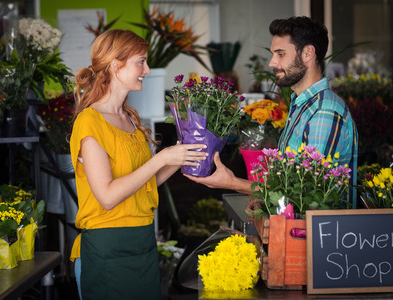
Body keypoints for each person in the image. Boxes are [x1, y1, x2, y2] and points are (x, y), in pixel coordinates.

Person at [69, 29, 207, 299]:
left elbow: (144, 184)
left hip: (142, 241)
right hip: (109, 244)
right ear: (114, 65)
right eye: (140, 61)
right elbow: (107, 196)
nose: (147, 68)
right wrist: (161, 158)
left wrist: (180, 157)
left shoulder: (129, 118)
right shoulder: (90, 122)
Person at [186, 16, 358, 206]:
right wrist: (261, 196)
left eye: (280, 54)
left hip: (323, 233)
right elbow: (291, 183)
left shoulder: (324, 112)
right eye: (273, 54)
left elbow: (308, 194)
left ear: (308, 53)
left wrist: (234, 183)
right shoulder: (303, 105)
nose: (272, 63)